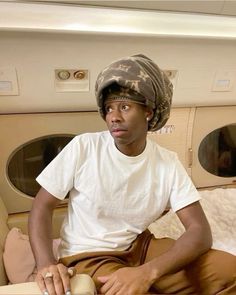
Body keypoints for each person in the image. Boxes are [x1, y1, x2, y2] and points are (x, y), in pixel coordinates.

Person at [28, 54, 236, 295]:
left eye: (125, 107)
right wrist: (46, 265)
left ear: (148, 111)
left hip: (140, 248)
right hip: (87, 255)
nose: (113, 117)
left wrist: (149, 272)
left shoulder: (167, 162)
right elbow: (42, 206)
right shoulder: (84, 147)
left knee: (229, 270)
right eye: (109, 108)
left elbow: (200, 232)